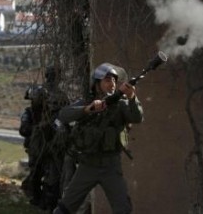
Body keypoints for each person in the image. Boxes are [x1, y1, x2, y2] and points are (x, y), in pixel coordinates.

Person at [53, 63, 144, 214]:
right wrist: (88, 109)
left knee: (123, 209)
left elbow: (137, 117)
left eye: (114, 80)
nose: (112, 84)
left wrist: (132, 97)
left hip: (111, 167)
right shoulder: (87, 103)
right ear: (97, 84)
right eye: (107, 80)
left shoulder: (121, 105)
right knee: (65, 208)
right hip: (87, 165)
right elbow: (64, 115)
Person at [19, 66, 69, 211]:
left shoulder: (59, 95)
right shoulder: (41, 92)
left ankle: (46, 203)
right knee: (38, 172)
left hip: (52, 141)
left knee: (50, 175)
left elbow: (63, 118)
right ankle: (40, 201)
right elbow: (26, 127)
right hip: (39, 141)